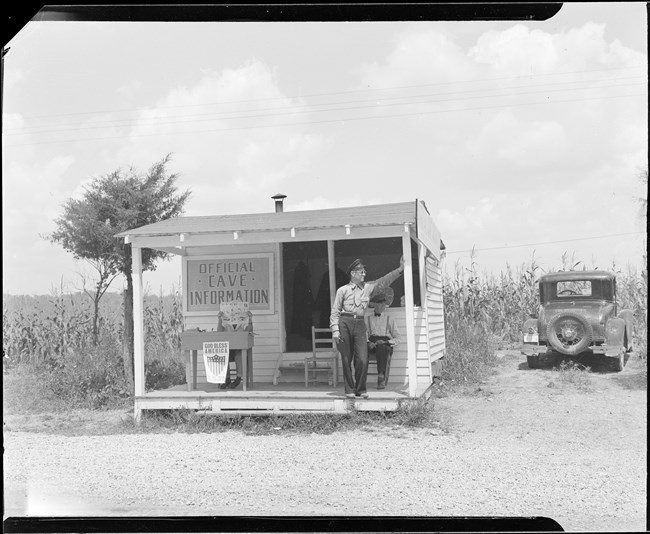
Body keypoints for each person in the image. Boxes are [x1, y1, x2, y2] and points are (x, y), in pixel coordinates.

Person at [330, 256, 405, 399]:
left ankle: (360, 389)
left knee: (362, 358)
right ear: (353, 273)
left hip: (359, 323)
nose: (364, 274)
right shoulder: (342, 290)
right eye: (361, 272)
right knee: (346, 358)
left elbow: (383, 281)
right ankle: (349, 390)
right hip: (344, 322)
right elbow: (335, 312)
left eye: (364, 272)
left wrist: (399, 270)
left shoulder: (368, 288)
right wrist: (335, 330)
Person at [365, 287, 400, 390]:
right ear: (374, 305)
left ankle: (381, 376)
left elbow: (398, 337)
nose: (382, 306)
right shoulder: (368, 319)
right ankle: (360, 378)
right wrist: (368, 342)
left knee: (381, 347)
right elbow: (364, 335)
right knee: (360, 349)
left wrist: (387, 341)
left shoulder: (389, 319)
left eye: (383, 304)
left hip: (384, 344)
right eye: (379, 304)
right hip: (372, 342)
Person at [215, 308, 254, 389]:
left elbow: (249, 331)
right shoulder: (226, 325)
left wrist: (250, 318)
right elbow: (219, 332)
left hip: (238, 350)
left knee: (240, 355)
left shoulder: (243, 325)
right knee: (222, 355)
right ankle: (227, 379)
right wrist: (219, 319)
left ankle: (238, 378)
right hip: (228, 350)